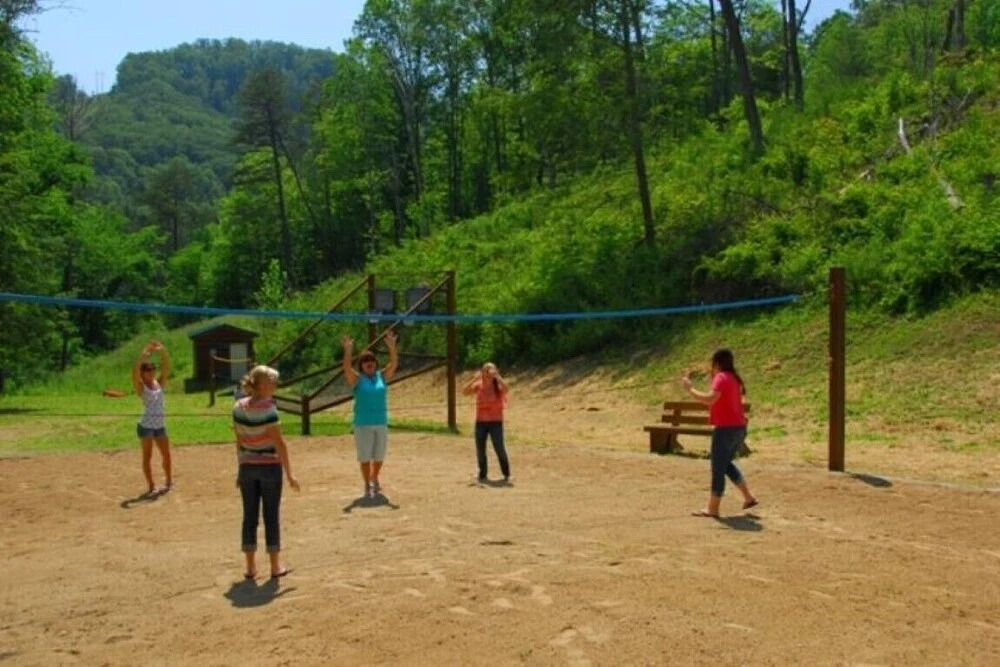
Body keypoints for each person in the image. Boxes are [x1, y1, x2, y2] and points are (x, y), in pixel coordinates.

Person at [233, 365, 300, 580]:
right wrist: (290, 474)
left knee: (249, 516)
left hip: (247, 466)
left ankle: (250, 567)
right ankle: (275, 566)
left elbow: (239, 440)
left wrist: (240, 467)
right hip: (269, 466)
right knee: (271, 516)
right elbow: (279, 444)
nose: (275, 385)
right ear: (261, 386)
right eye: (272, 381)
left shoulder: (238, 407)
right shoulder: (269, 409)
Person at [682, 348, 758, 518]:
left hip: (725, 429)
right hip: (739, 428)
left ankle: (713, 508)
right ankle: (748, 497)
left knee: (718, 467)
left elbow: (710, 399)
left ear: (716, 363)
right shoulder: (733, 378)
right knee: (725, 464)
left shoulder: (721, 378)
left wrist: (690, 389)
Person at [341, 331, 398, 498]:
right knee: (365, 457)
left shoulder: (381, 377)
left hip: (381, 422)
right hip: (363, 424)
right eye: (365, 361)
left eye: (371, 360)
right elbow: (346, 368)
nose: (369, 363)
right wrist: (348, 351)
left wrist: (392, 347)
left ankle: (374, 476)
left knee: (379, 456)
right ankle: (367, 483)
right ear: (361, 365)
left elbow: (394, 364)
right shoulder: (357, 379)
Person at [131, 340, 173, 495]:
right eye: (147, 370)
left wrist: (162, 351)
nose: (151, 372)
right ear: (142, 373)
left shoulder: (159, 383)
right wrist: (142, 357)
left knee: (166, 454)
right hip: (146, 426)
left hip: (160, 425)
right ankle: (151, 486)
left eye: (153, 369)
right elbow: (134, 374)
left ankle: (169, 481)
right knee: (147, 456)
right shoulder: (141, 387)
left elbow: (166, 367)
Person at [462, 362, 511, 483]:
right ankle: (482, 474)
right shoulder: (479, 385)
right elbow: (464, 392)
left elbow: (506, 389)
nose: (489, 372)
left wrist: (498, 377)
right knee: (480, 449)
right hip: (481, 422)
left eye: (491, 369)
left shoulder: (497, 386)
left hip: (496, 422)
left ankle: (506, 474)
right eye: (486, 370)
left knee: (499, 448)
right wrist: (474, 379)